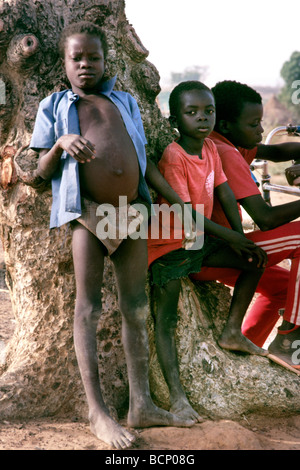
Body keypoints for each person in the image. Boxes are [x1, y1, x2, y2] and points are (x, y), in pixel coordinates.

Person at [29, 21, 197, 450]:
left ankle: (141, 403)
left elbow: (143, 158)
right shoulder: (55, 106)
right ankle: (97, 413)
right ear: (64, 63)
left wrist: (175, 201)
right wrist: (60, 143)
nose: (86, 65)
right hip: (87, 214)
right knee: (88, 307)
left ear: (106, 61)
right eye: (77, 58)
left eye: (94, 58)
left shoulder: (124, 101)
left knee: (136, 306)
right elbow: (35, 176)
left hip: (133, 211)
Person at [147, 80, 268, 422]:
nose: (203, 118)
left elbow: (226, 193)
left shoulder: (211, 149)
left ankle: (232, 331)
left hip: (198, 242)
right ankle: (177, 398)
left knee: (254, 259)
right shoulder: (175, 155)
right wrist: (230, 238)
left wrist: (239, 234)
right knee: (166, 321)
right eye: (192, 112)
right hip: (169, 245)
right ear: (175, 119)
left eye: (209, 111)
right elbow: (185, 213)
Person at [191, 80, 300, 373]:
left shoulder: (225, 141)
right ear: (225, 124)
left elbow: (276, 153)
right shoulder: (225, 153)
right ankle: (291, 340)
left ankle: (242, 358)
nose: (261, 130)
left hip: (211, 252)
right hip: (216, 251)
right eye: (254, 124)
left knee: (280, 287)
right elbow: (265, 218)